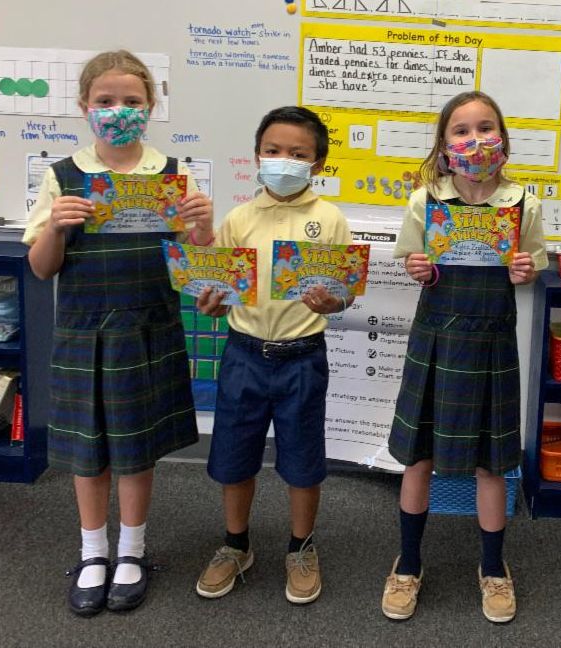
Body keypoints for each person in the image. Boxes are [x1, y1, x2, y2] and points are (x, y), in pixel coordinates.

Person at [23, 50, 214, 616]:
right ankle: (93, 553)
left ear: (150, 106)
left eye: (132, 100)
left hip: (148, 329)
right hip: (84, 332)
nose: (119, 111)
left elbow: (197, 263)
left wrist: (202, 226)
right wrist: (56, 228)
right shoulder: (63, 176)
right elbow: (41, 268)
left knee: (136, 448)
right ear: (85, 106)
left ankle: (132, 549)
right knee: (89, 450)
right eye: (105, 101)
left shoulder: (170, 173)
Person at [381, 91, 547, 623]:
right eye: (461, 130)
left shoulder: (522, 204)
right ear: (444, 143)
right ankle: (408, 563)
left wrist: (524, 271)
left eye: (485, 128)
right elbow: (413, 260)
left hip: (492, 342)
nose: (475, 140)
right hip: (436, 339)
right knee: (419, 457)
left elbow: (531, 267)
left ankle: (494, 568)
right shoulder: (426, 200)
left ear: (503, 138)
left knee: (492, 462)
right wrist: (418, 268)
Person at [194, 106, 352, 605]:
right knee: (233, 456)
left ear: (317, 164)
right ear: (257, 156)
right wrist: (212, 302)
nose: (284, 160)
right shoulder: (239, 219)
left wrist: (334, 302)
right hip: (243, 355)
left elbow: (345, 291)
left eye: (298, 154)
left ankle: (301, 547)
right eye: (274, 150)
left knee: (303, 460)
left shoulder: (329, 219)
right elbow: (222, 294)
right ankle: (235, 544)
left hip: (302, 358)